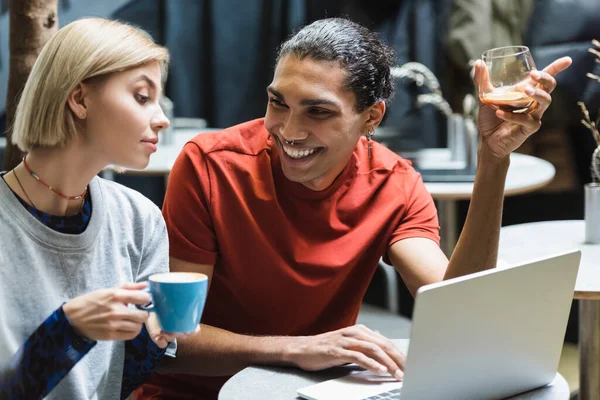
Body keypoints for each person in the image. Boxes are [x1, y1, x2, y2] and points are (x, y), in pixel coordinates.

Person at [138, 18, 571, 400]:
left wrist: (493, 159)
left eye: (318, 112)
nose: (289, 130)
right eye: (278, 102)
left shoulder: (394, 184)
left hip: (309, 392)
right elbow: (170, 343)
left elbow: (463, 311)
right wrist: (296, 348)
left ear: (371, 118)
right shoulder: (210, 166)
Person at [0, 18, 180, 400]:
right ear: (80, 100)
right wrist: (68, 329)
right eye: (142, 97)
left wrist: (151, 339)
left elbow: (113, 384)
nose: (162, 119)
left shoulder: (140, 221)